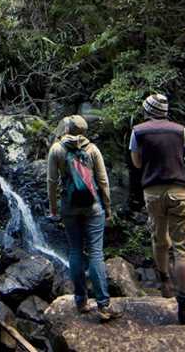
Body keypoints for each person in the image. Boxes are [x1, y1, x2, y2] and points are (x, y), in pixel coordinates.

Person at [129, 93, 185, 325]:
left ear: (147, 111)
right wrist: (178, 161)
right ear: (165, 111)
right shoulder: (180, 130)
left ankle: (164, 281)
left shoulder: (138, 132)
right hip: (178, 190)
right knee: (183, 248)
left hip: (152, 192)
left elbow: (137, 162)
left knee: (159, 237)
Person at [47, 116, 121, 322]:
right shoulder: (92, 149)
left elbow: (52, 182)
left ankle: (81, 301)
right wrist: (107, 207)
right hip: (93, 206)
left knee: (75, 250)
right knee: (96, 253)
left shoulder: (56, 150)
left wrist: (53, 208)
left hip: (69, 206)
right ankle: (104, 306)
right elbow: (103, 181)